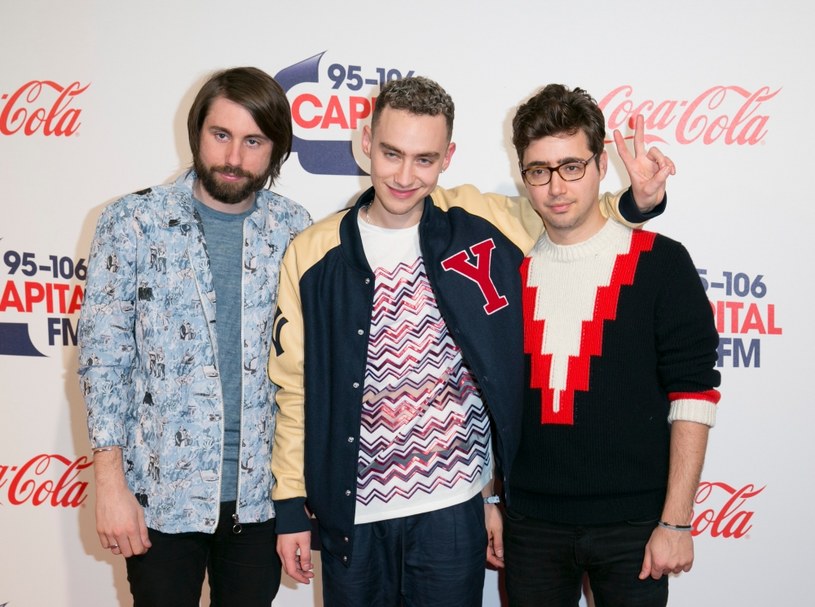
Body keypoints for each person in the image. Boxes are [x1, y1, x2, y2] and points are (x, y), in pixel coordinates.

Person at [268, 76, 673, 607]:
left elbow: (567, 213)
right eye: (391, 153)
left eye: (425, 159)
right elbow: (294, 389)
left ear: (448, 156)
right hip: (354, 515)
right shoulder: (313, 252)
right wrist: (292, 504)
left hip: (454, 508)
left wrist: (638, 202)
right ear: (365, 140)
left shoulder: (481, 219)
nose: (405, 175)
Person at [77, 66, 311, 607]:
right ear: (197, 134)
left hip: (259, 501)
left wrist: (298, 497)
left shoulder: (295, 228)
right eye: (221, 135)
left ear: (275, 150)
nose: (234, 157)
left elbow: (305, 372)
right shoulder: (133, 221)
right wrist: (110, 486)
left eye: (254, 141)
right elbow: (103, 362)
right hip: (160, 498)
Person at [500, 83, 721, 606]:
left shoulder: (661, 263)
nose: (556, 186)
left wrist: (676, 520)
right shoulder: (507, 271)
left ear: (600, 164)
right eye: (539, 170)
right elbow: (492, 396)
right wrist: (493, 499)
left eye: (571, 166)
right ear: (523, 175)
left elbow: (693, 395)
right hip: (531, 525)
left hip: (636, 528)